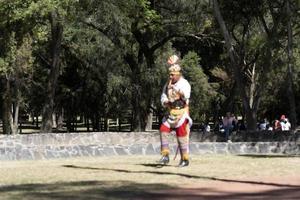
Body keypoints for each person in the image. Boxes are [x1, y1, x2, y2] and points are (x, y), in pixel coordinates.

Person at [158, 54, 192, 167]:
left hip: (181, 112)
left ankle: (185, 159)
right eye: (170, 75)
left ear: (178, 75)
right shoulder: (167, 85)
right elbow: (163, 96)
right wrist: (165, 101)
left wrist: (176, 90)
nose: (171, 77)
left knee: (181, 134)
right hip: (170, 112)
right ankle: (165, 155)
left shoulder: (184, 83)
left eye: (173, 75)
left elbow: (186, 96)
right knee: (163, 128)